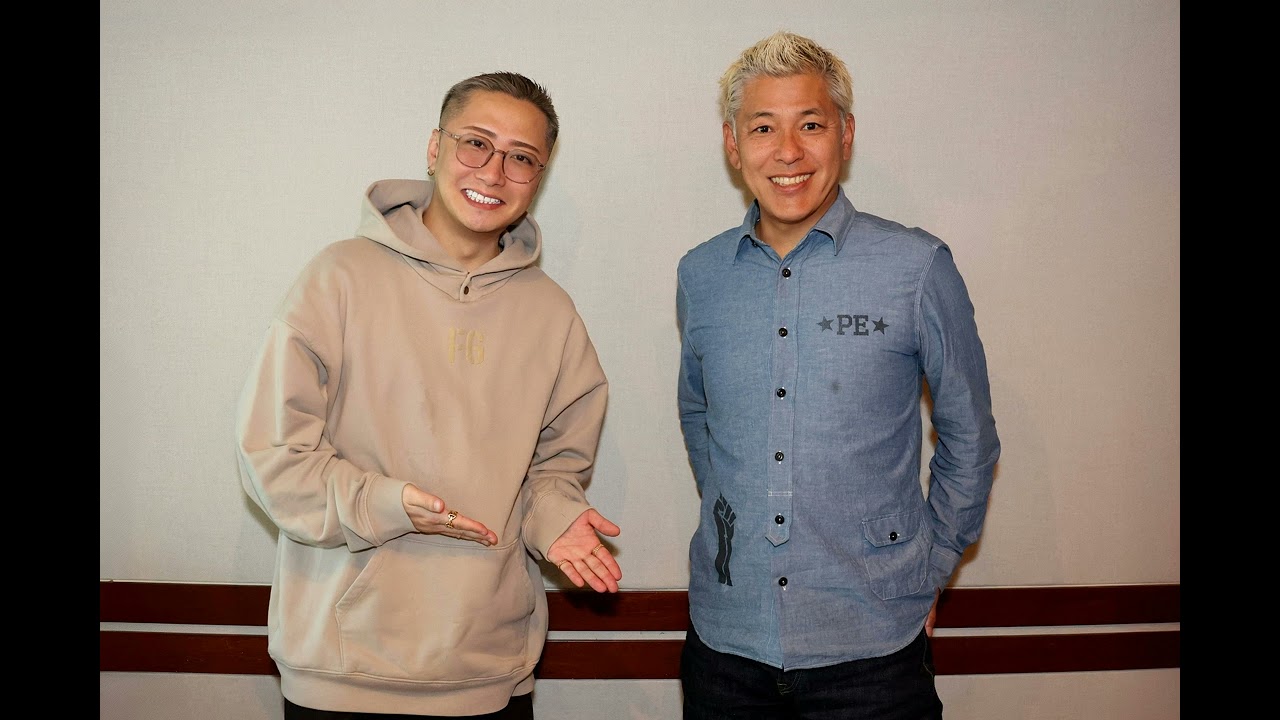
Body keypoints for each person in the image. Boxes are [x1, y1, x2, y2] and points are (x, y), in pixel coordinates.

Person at [235, 71, 622, 720]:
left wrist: (555, 515)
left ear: (539, 175)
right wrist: (387, 504)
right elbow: (272, 457)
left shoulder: (551, 312)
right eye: (476, 143)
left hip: (488, 673)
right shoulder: (338, 278)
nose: (494, 171)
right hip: (341, 671)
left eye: (521, 157)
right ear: (435, 146)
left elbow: (554, 468)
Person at [675, 31, 1001, 719]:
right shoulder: (700, 275)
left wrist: (932, 564)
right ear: (733, 145)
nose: (787, 151)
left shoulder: (917, 268)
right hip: (725, 651)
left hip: (873, 658)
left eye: (811, 124)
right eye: (763, 127)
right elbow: (701, 419)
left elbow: (970, 435)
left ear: (845, 135)